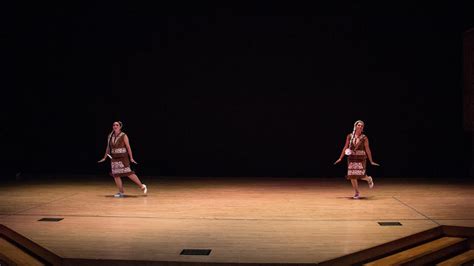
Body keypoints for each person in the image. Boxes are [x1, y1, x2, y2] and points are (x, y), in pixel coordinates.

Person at [98, 121, 147, 197]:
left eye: (117, 125)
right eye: (114, 125)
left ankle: (142, 186)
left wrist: (131, 158)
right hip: (114, 157)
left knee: (129, 173)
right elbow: (108, 147)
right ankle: (121, 192)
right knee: (116, 175)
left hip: (123, 157)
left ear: (120, 127)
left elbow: (128, 147)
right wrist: (104, 157)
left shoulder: (123, 135)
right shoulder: (110, 135)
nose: (115, 126)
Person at [334, 120, 379, 199]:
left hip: (361, 158)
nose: (360, 127)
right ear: (355, 126)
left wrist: (371, 161)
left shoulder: (364, 137)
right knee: (352, 175)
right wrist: (340, 158)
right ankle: (357, 192)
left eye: (362, 126)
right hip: (351, 158)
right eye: (359, 125)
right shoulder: (349, 136)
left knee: (361, 175)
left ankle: (369, 179)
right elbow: (345, 147)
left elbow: (367, 149)